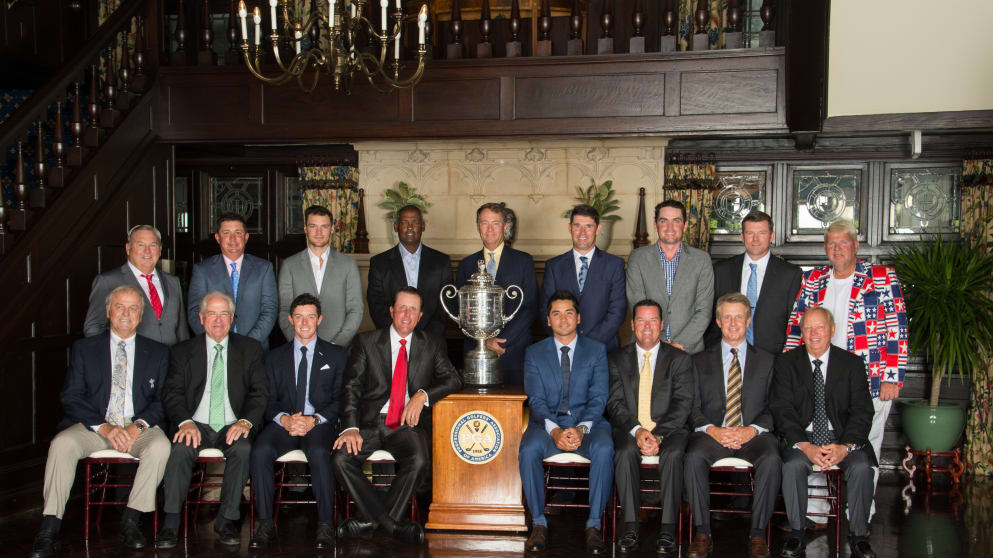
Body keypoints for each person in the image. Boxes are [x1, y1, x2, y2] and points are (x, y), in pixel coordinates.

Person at [29, 286, 171, 558]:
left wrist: (136, 426)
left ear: (141, 315)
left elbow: (162, 401)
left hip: (137, 426)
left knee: (160, 447)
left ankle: (131, 520)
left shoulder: (158, 352)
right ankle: (49, 526)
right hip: (95, 426)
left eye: (133, 308)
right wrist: (104, 426)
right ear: (108, 311)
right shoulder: (85, 349)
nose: (126, 314)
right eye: (120, 307)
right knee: (61, 444)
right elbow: (70, 396)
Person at [784, 219, 907, 523]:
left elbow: (897, 327)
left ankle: (859, 509)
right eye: (831, 243)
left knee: (866, 443)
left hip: (870, 377)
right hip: (818, 374)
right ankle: (818, 509)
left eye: (843, 242)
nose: (837, 249)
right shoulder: (813, 279)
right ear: (825, 247)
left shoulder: (880, 277)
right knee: (815, 435)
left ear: (855, 245)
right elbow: (796, 325)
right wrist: (789, 369)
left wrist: (893, 375)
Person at [332, 287, 462, 544]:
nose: (407, 314)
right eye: (402, 307)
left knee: (419, 459)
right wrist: (350, 427)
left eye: (413, 309)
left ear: (420, 315)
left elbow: (453, 379)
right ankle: (391, 524)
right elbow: (351, 387)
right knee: (339, 459)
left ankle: (369, 520)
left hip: (405, 424)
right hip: (368, 423)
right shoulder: (367, 342)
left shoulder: (431, 344)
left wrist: (422, 395)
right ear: (391, 311)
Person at [154, 291, 268, 549]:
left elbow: (260, 393)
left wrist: (245, 422)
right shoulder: (183, 351)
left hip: (232, 422)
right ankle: (171, 523)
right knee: (181, 448)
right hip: (196, 422)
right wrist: (184, 421)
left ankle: (226, 519)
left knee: (243, 448)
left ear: (232, 318)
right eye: (212, 314)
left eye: (224, 314)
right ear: (201, 318)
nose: (218, 320)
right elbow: (172, 392)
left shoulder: (250, 349)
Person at [770, 307, 877, 558]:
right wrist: (804, 445)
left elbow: (862, 411)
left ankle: (860, 536)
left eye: (819, 327)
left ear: (831, 329)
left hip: (841, 438)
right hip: (802, 438)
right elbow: (782, 409)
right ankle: (797, 534)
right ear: (802, 331)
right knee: (793, 466)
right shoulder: (786, 363)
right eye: (807, 328)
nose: (813, 333)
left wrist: (845, 447)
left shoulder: (851, 364)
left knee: (862, 468)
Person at [249, 293, 348, 550]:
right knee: (259, 451)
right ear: (291, 319)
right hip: (285, 423)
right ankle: (265, 524)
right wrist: (283, 420)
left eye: (311, 317)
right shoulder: (273, 357)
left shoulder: (336, 356)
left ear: (320, 319)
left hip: (319, 424)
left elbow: (340, 400)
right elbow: (266, 401)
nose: (305, 323)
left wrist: (314, 420)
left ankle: (325, 524)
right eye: (299, 317)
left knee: (318, 451)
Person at [685, 293, 781, 558]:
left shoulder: (768, 360)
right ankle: (703, 532)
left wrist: (750, 430)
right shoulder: (699, 360)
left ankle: (758, 534)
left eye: (739, 316)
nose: (733, 323)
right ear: (717, 321)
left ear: (748, 320)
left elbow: (776, 406)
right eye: (727, 317)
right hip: (713, 434)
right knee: (693, 456)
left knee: (772, 458)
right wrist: (714, 430)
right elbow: (691, 407)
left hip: (753, 434)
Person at [519, 290, 613, 554]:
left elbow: (599, 398)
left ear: (579, 317)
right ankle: (538, 523)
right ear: (547, 320)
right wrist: (557, 430)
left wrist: (581, 429)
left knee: (605, 449)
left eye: (569, 312)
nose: (563, 319)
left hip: (589, 425)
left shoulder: (596, 351)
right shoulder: (534, 353)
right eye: (556, 313)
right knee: (528, 450)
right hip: (548, 424)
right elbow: (535, 401)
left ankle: (594, 525)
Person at [606, 299, 694, 554]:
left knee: (675, 453)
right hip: (629, 429)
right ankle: (631, 525)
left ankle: (668, 529)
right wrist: (638, 431)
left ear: (662, 325)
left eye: (653, 320)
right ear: (632, 325)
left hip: (670, 430)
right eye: (641, 320)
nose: (647, 326)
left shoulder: (679, 359)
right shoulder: (616, 359)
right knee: (623, 453)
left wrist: (658, 435)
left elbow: (682, 404)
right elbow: (615, 403)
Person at [455, 202, 538, 385]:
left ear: (505, 226)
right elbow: (460, 312)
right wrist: (484, 341)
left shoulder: (523, 261)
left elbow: (530, 307)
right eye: (484, 223)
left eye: (495, 223)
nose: (490, 229)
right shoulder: (466, 264)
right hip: (476, 354)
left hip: (512, 351)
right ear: (478, 227)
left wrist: (499, 342)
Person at [705, 211, 802, 355]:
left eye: (762, 233)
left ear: (771, 236)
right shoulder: (721, 270)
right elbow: (711, 316)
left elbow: (793, 321)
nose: (755, 239)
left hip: (774, 357)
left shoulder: (791, 274)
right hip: (726, 355)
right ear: (742, 237)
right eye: (750, 233)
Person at [626, 200, 713, 354]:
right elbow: (637, 305)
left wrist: (679, 345)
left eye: (676, 221)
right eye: (663, 221)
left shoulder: (702, 260)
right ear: (655, 225)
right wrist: (660, 346)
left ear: (685, 226)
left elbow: (704, 311)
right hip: (647, 349)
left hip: (689, 351)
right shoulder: (637, 258)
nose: (670, 228)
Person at [83, 225, 189, 346]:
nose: (147, 251)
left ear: (160, 250)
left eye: (153, 245)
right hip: (131, 362)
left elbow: (182, 329)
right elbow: (93, 327)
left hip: (171, 361)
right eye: (140, 245)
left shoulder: (173, 282)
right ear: (128, 248)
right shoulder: (107, 281)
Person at [540, 204, 626, 353]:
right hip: (563, 349)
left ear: (598, 229)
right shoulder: (554, 266)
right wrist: (566, 341)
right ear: (570, 228)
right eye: (577, 225)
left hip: (604, 349)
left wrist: (589, 345)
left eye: (588, 226)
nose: (582, 232)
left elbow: (617, 310)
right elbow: (545, 309)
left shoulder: (614, 265)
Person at [187, 212, 278, 349]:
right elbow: (195, 312)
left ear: (246, 237)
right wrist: (216, 342)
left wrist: (248, 344)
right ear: (217, 238)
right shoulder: (202, 270)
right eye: (226, 233)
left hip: (254, 348)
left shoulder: (264, 268)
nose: (233, 239)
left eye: (238, 233)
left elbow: (269, 310)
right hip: (214, 348)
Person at [278, 205, 363, 347]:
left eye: (324, 226)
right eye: (313, 226)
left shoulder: (348, 265)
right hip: (300, 347)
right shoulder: (289, 265)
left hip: (339, 348)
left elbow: (356, 310)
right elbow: (284, 310)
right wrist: (299, 343)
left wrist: (336, 345)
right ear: (305, 228)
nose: (318, 232)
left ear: (332, 228)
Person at [367, 205, 451, 340]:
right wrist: (398, 335)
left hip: (432, 342)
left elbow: (446, 305)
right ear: (396, 227)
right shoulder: (379, 263)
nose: (410, 227)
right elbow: (376, 305)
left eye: (415, 222)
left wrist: (425, 337)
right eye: (404, 222)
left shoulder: (441, 261)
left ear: (423, 226)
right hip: (392, 342)